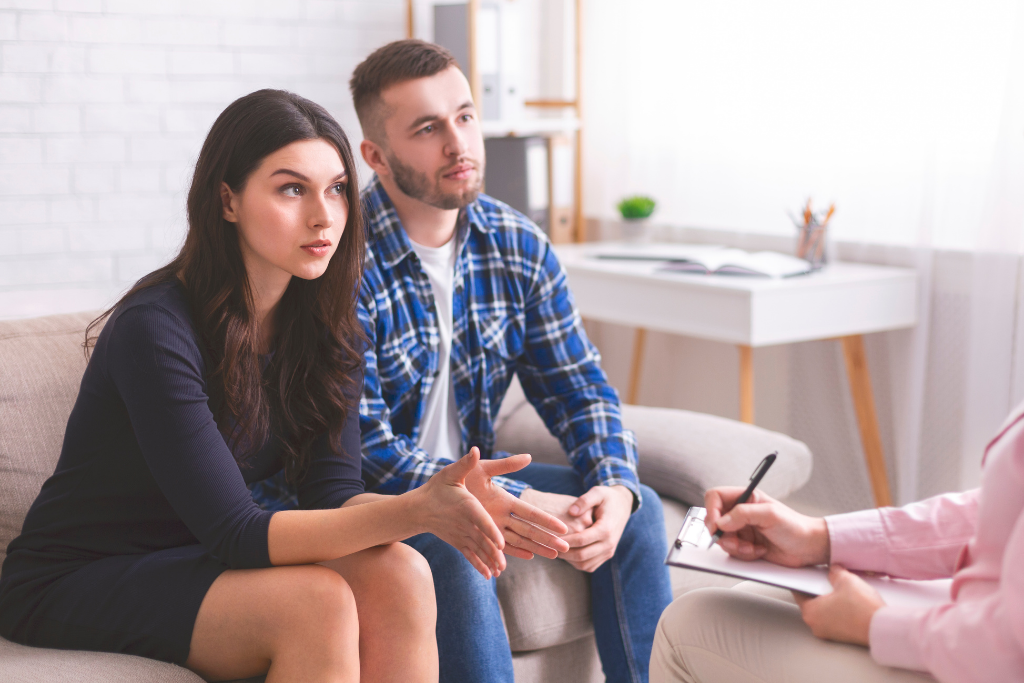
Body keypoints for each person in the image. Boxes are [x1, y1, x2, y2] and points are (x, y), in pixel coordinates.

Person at [0, 89, 565, 683]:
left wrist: (445, 503)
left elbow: (334, 495)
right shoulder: (156, 329)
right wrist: (418, 510)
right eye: (292, 188)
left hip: (195, 558)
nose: (325, 216)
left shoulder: (328, 322)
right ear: (227, 200)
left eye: (338, 188)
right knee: (314, 604)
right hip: (80, 577)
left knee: (400, 570)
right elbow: (238, 532)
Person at [255, 39, 672, 683]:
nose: (459, 143)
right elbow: (364, 448)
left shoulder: (517, 245)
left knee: (638, 508)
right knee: (458, 546)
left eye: (466, 116)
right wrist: (506, 497)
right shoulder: (336, 261)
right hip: (373, 503)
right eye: (428, 128)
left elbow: (580, 390)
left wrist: (611, 486)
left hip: (473, 485)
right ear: (375, 156)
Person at [650, 402, 1024, 683]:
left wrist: (876, 624)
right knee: (751, 596)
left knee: (688, 623)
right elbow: (987, 512)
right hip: (976, 617)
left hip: (980, 658)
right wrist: (819, 538)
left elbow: (1007, 651)